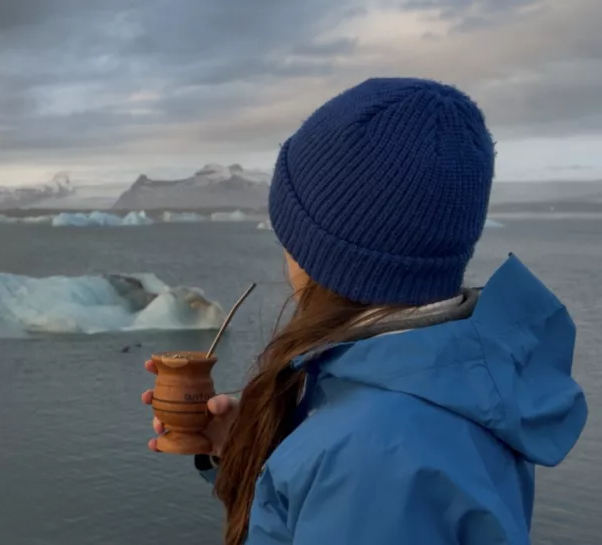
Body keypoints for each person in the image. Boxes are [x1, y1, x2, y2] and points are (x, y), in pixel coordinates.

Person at [141, 77, 588, 545]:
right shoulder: (452, 385)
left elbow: (365, 482)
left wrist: (319, 458)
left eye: (289, 234)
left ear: (323, 253)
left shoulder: (372, 454)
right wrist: (253, 455)